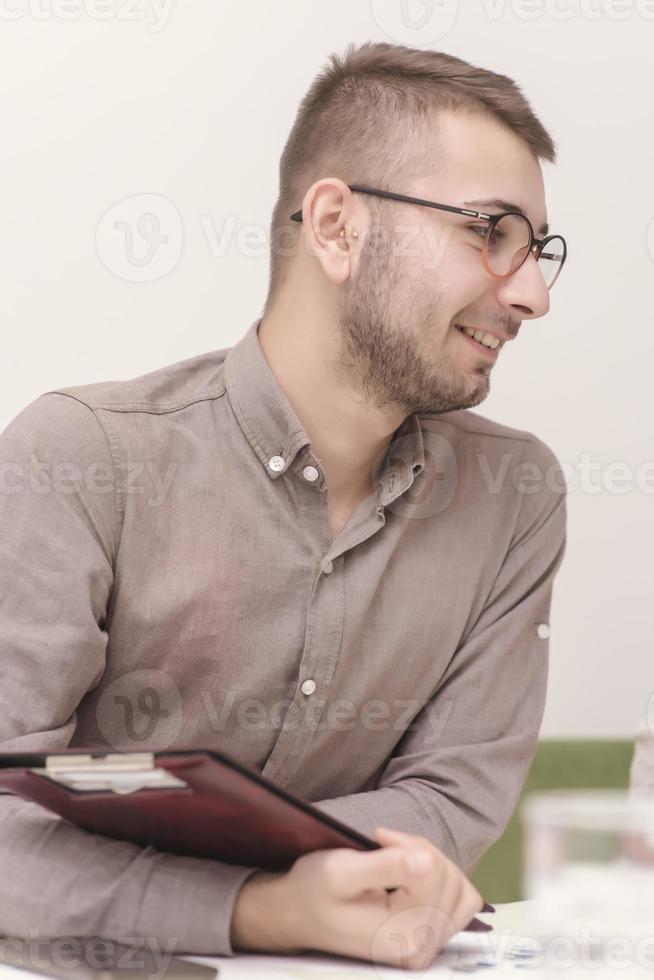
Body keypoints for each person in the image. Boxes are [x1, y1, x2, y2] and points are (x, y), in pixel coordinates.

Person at [0, 41, 568, 972]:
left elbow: (451, 799)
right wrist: (257, 908)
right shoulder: (77, 458)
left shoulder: (516, 499)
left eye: (537, 249)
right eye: (491, 231)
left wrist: (271, 890)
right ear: (338, 228)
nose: (535, 294)